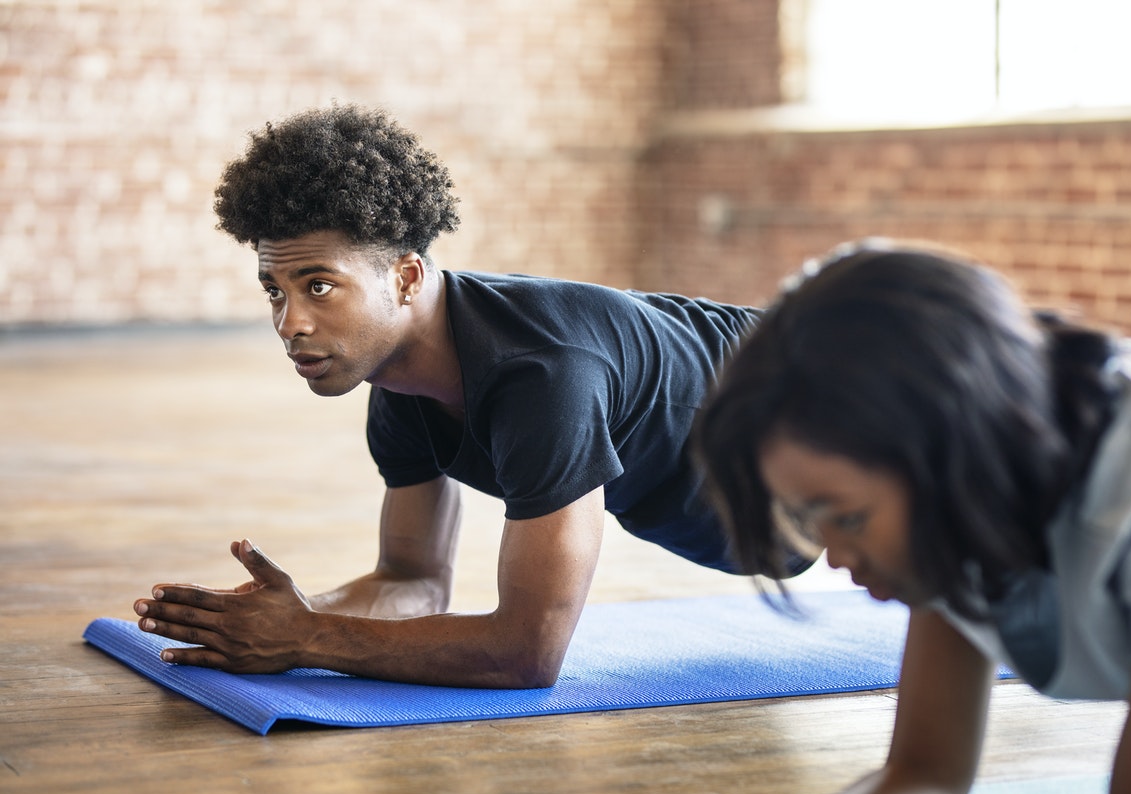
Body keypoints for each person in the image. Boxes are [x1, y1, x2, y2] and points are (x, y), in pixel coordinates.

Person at [132, 104, 810, 688]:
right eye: (274, 291)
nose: (290, 323)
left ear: (405, 278)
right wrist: (279, 617)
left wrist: (306, 639)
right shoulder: (397, 380)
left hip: (825, 389)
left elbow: (526, 653)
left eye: (318, 286)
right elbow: (412, 582)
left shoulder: (542, 377)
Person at [693, 239, 1131, 794]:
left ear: (952, 455)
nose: (835, 558)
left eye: (850, 518)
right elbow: (925, 774)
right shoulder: (960, 512)